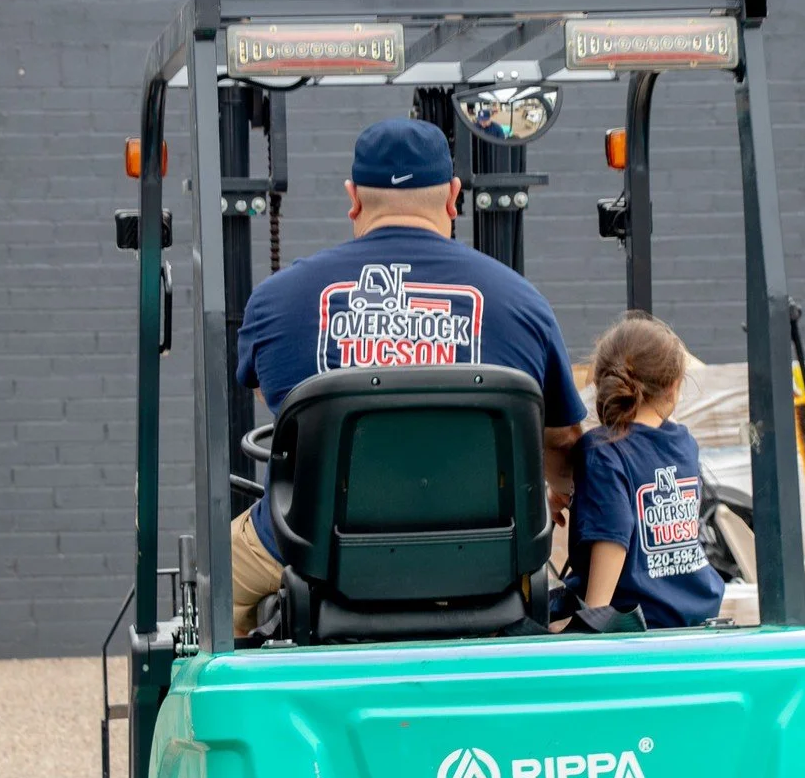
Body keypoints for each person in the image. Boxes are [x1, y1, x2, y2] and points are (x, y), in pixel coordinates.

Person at [229, 117, 586, 635]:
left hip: (312, 552)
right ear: (454, 197)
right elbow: (563, 439)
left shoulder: (277, 301)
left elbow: (275, 396)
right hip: (485, 555)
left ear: (353, 199)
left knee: (214, 591)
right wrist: (556, 488)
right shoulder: (522, 304)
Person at [556, 312, 725, 629]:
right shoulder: (684, 443)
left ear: (601, 382)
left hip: (637, 622)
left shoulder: (602, 450)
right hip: (693, 616)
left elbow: (612, 534)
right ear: (673, 386)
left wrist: (591, 620)